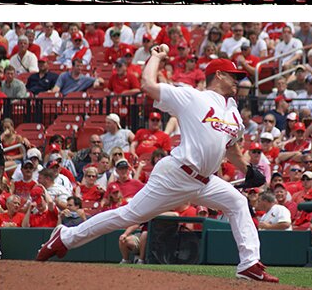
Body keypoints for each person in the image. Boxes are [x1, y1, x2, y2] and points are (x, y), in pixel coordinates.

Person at [36, 48, 280, 283]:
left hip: (205, 181)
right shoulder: (193, 97)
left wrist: (247, 169)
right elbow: (148, 85)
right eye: (234, 76)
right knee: (127, 216)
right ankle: (66, 236)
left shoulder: (234, 112)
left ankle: (249, 265)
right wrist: (155, 57)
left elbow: (231, 148)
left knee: (237, 203)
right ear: (219, 75)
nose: (239, 81)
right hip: (176, 175)